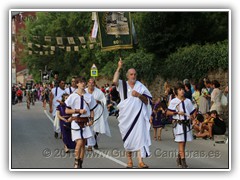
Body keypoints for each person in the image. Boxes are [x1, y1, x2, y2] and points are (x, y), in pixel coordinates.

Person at [113, 58, 152, 168]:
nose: (133, 76)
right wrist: (119, 67)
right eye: (131, 74)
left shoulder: (141, 86)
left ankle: (140, 161)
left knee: (140, 137)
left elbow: (147, 101)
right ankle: (129, 160)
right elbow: (114, 81)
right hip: (126, 117)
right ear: (127, 76)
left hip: (139, 116)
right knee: (128, 138)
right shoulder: (122, 85)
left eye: (134, 74)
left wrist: (139, 95)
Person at [65, 76, 97, 168]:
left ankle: (80, 163)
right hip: (76, 121)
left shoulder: (89, 96)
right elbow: (67, 111)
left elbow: (92, 110)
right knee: (79, 142)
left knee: (83, 144)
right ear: (77, 84)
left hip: (85, 122)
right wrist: (78, 111)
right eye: (81, 82)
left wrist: (92, 120)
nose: (83, 84)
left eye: (84, 82)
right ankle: (76, 161)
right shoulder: (73, 96)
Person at [167, 82, 196, 168]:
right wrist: (177, 112)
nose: (182, 91)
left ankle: (179, 158)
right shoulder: (174, 101)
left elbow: (192, 112)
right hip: (179, 125)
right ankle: (183, 162)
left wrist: (194, 119)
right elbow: (168, 112)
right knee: (181, 143)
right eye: (179, 90)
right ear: (176, 91)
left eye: (182, 89)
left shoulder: (188, 101)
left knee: (184, 144)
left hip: (187, 125)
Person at [85, 78, 111, 151]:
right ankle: (90, 144)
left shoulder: (99, 92)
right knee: (89, 127)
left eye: (93, 83)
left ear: (95, 84)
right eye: (90, 83)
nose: (91, 84)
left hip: (97, 111)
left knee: (96, 127)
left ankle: (95, 140)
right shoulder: (85, 91)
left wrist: (98, 101)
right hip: (87, 112)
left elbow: (103, 101)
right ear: (88, 83)